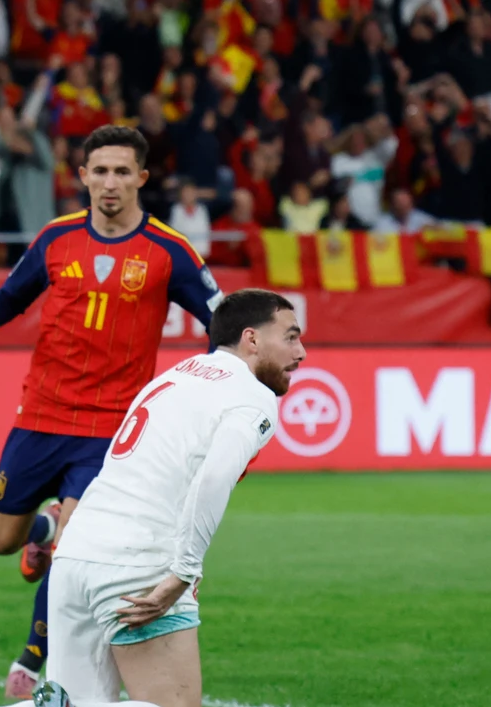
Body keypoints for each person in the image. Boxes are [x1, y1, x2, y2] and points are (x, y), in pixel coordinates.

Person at [0, 125, 224, 698]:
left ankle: (33, 661)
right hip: (40, 415)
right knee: (1, 540)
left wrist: (210, 383)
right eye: (100, 171)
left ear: (141, 178)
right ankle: (39, 528)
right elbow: (12, 296)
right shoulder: (57, 238)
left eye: (121, 172)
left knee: (75, 547)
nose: (109, 183)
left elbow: (222, 323)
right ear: (82, 176)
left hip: (111, 430)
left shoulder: (169, 251)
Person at [31, 289, 305, 707]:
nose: (300, 352)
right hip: (138, 564)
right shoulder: (252, 396)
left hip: (75, 555)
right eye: (290, 337)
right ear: (251, 339)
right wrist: (182, 572)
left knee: (75, 704)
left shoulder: (177, 375)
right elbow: (213, 479)